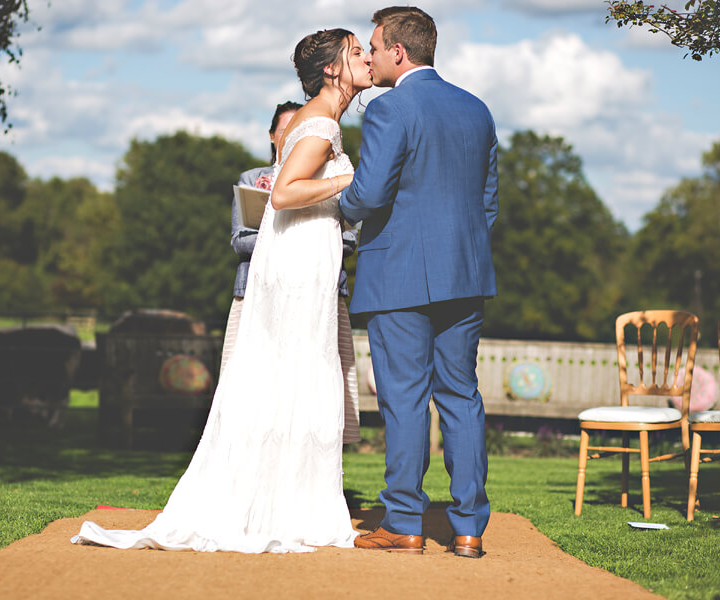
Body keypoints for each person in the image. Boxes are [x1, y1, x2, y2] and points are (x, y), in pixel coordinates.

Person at [71, 27, 373, 553]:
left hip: (297, 254)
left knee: (284, 374)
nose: (366, 58)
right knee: (299, 369)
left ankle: (277, 499)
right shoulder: (322, 122)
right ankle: (288, 507)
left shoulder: (316, 120)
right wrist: (352, 179)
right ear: (331, 70)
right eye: (355, 52)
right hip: (299, 258)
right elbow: (283, 193)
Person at [339, 6, 498, 558]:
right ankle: (469, 529)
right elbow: (488, 201)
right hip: (467, 273)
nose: (371, 58)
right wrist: (462, 251)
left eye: (375, 48)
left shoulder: (389, 108)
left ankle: (404, 523)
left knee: (404, 400)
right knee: (461, 397)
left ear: (398, 52)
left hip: (398, 274)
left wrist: (332, 202)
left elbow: (369, 194)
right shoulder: (476, 109)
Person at [222, 101, 361, 444]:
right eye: (286, 132)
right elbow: (241, 241)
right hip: (257, 293)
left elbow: (348, 240)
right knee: (252, 385)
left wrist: (288, 239)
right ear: (273, 137)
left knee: (315, 384)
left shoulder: (333, 179)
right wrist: (300, 241)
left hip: (320, 293)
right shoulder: (253, 180)